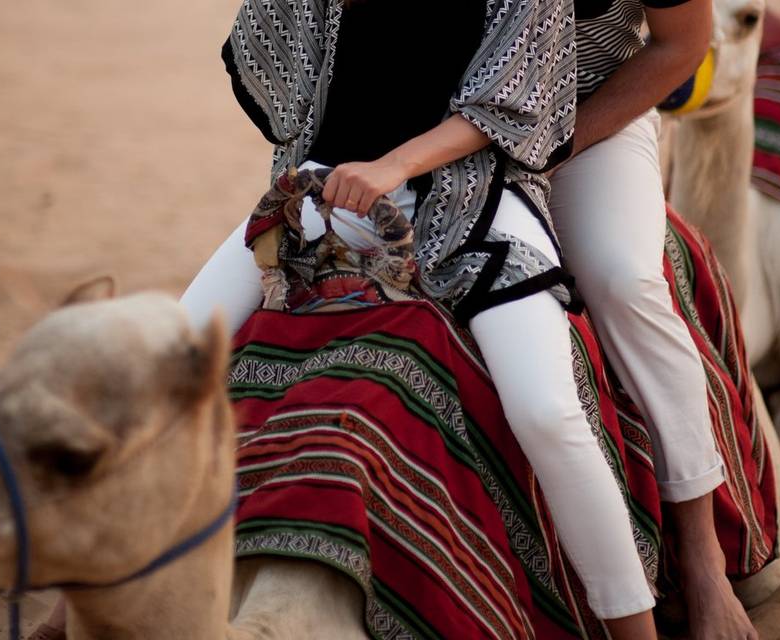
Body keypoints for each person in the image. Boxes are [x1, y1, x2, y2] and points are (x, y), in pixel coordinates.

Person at [181, 0, 666, 636]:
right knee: (169, 358)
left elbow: (512, 102)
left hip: (477, 195)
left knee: (546, 413)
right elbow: (278, 63)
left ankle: (636, 629)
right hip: (328, 187)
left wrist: (394, 167)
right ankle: (68, 610)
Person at [547, 0, 758, 638]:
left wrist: (554, 146)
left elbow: (683, 43)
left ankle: (701, 555)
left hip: (591, 113)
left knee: (623, 278)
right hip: (429, 129)